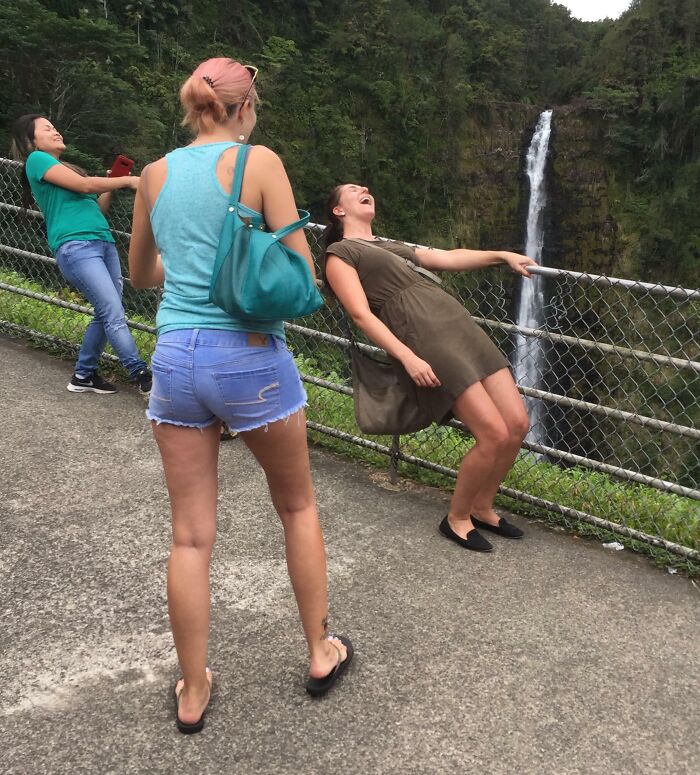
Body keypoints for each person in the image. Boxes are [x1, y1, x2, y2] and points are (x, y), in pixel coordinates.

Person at [128, 58, 352, 733]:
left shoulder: (153, 174)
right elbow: (300, 271)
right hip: (249, 357)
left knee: (190, 537)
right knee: (297, 506)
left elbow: (142, 274)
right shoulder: (260, 163)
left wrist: (190, 260)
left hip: (175, 359)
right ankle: (320, 650)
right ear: (245, 106)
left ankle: (193, 689)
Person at [322, 184, 536, 553]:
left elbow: (449, 258)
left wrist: (503, 255)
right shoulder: (340, 254)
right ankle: (457, 518)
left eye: (365, 188)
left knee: (517, 424)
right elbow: (360, 315)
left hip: (461, 328)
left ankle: (483, 507)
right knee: (493, 434)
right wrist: (407, 356)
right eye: (354, 190)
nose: (366, 189)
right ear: (338, 211)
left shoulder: (391, 246)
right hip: (425, 338)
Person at [10, 115, 152, 395]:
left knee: (106, 311)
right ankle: (141, 375)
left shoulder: (67, 169)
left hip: (103, 242)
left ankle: (83, 375)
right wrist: (127, 180)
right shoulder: (37, 160)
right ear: (31, 141)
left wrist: (112, 182)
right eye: (47, 129)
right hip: (76, 246)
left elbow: (96, 207)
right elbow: (86, 186)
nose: (56, 131)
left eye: (55, 127)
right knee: (112, 311)